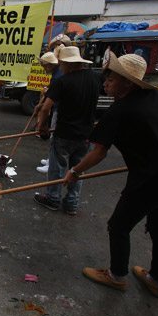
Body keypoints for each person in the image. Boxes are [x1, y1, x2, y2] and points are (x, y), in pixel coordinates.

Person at [64, 52, 158, 298]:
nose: (106, 83)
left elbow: (98, 153)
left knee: (118, 226)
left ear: (128, 83)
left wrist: (74, 171)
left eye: (112, 79)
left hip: (148, 182)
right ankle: (157, 281)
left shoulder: (120, 110)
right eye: (106, 78)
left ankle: (117, 276)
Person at [33, 46, 101, 215]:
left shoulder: (63, 81)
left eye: (61, 63)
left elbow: (46, 108)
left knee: (57, 168)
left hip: (64, 133)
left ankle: (53, 199)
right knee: (77, 170)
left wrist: (42, 128)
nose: (60, 66)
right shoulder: (95, 78)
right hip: (86, 134)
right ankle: (71, 203)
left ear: (65, 63)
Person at [35, 50, 61, 174]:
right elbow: (50, 92)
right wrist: (40, 104)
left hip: (59, 109)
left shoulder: (57, 76)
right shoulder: (56, 74)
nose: (43, 69)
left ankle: (52, 164)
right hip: (57, 107)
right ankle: (51, 159)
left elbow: (47, 107)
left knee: (54, 136)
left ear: (50, 65)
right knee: (53, 136)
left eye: (44, 66)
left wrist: (41, 125)